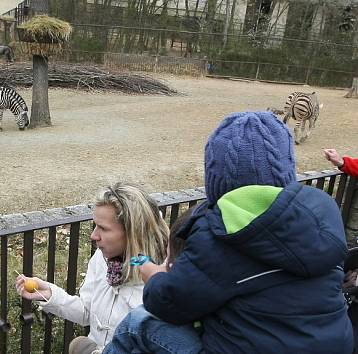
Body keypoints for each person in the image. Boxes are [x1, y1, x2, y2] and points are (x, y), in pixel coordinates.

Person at [105, 111, 353, 354]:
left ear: (215, 181)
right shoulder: (321, 213)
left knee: (137, 324)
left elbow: (170, 305)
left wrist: (155, 276)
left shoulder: (218, 236)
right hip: (337, 343)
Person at [15, 182, 170, 354]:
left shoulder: (163, 280)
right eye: (95, 225)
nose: (93, 235)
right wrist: (50, 295)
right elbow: (86, 312)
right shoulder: (103, 258)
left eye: (103, 228)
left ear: (133, 233)